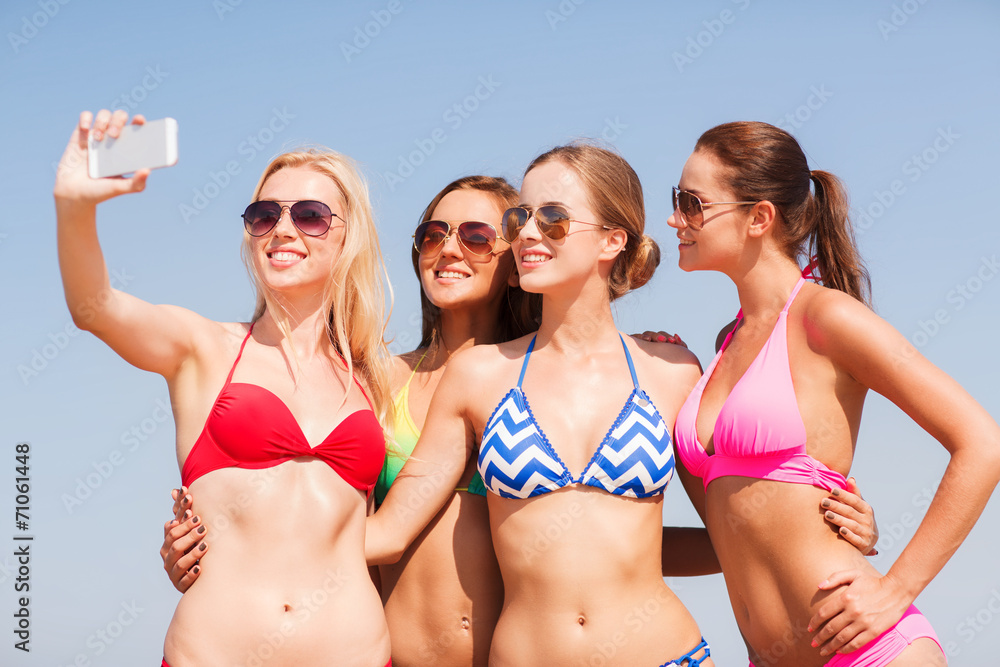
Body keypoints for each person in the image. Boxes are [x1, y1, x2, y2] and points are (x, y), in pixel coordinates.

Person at [55, 110, 393, 666]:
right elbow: (94, 307)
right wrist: (75, 206)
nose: (283, 229)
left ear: (346, 236)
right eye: (265, 215)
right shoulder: (201, 348)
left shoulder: (375, 375)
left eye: (309, 215)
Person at [367, 142, 715, 666]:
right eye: (520, 217)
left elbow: (734, 529)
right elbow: (389, 532)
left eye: (553, 218)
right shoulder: (478, 375)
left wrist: (837, 528)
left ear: (612, 240)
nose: (527, 232)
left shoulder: (672, 371)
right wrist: (235, 542)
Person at [669, 121, 1000, 666]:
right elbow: (736, 528)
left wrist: (897, 588)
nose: (675, 218)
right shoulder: (724, 346)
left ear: (759, 217)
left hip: (870, 653)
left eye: (692, 202)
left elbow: (981, 443)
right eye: (677, 200)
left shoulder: (828, 318)